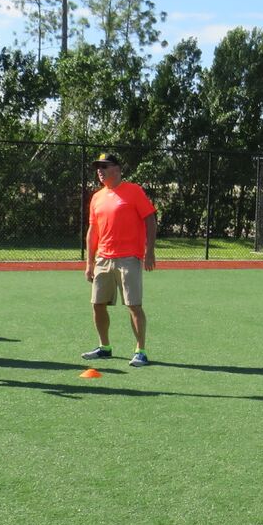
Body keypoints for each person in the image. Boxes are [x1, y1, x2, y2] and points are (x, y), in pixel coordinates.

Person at [81, 152, 157, 367]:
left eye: (104, 167)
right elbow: (92, 230)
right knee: (97, 304)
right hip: (103, 259)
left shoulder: (133, 191)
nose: (100, 171)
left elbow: (150, 219)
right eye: (98, 167)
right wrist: (89, 262)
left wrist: (149, 251)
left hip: (129, 259)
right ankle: (104, 347)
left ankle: (140, 351)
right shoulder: (97, 197)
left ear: (117, 169)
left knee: (133, 305)